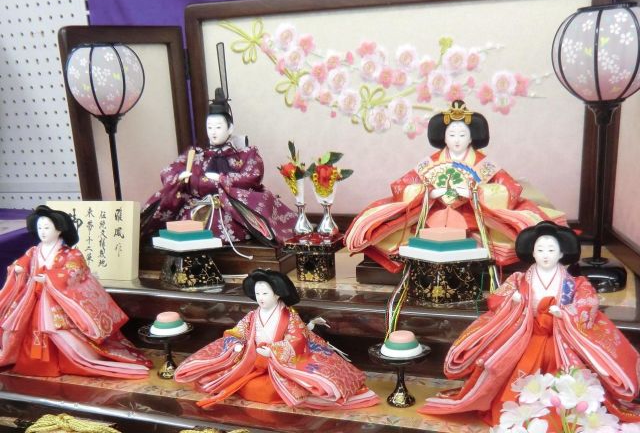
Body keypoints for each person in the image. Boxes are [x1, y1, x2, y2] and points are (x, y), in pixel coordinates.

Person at [419, 221, 640, 425]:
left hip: (560, 338)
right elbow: (497, 298)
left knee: (569, 378)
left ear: (562, 253)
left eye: (551, 250)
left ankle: (561, 414)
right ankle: (519, 414)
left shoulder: (575, 283)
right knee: (507, 367)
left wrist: (565, 313)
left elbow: (587, 302)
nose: (545, 255)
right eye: (540, 250)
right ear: (532, 253)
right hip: (527, 334)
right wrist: (514, 301)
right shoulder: (519, 279)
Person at [344, 100, 566, 273]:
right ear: (444, 137)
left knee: (516, 230)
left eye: (462, 135)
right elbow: (402, 186)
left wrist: (475, 193)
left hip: (474, 215)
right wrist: (430, 193)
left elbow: (511, 189)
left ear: (471, 138)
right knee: (388, 227)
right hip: (434, 213)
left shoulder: (484, 164)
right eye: (452, 135)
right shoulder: (431, 163)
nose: (457, 139)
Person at [174, 268, 379, 410]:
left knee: (271, 390)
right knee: (233, 382)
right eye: (257, 293)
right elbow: (237, 332)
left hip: (281, 363)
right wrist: (236, 344)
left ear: (278, 294)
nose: (260, 297)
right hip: (254, 361)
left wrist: (274, 350)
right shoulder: (253, 315)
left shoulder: (289, 317)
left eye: (265, 293)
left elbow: (297, 339)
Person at [0, 205, 150, 378]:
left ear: (59, 230)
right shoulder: (34, 251)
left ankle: (66, 361)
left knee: (63, 335)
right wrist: (17, 269)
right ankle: (34, 363)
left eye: (47, 228)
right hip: (34, 299)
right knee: (29, 329)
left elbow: (75, 271)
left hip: (57, 302)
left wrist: (49, 278)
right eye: (39, 228)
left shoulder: (71, 254)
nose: (42, 232)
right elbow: (20, 264)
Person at [141, 89, 296, 246]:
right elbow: (169, 171)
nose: (213, 132)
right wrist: (180, 176)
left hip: (228, 210)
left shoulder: (245, 154)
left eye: (218, 127)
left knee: (225, 221)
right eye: (209, 128)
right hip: (196, 207)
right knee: (184, 226)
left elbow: (252, 176)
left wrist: (222, 179)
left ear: (230, 128)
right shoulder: (197, 155)